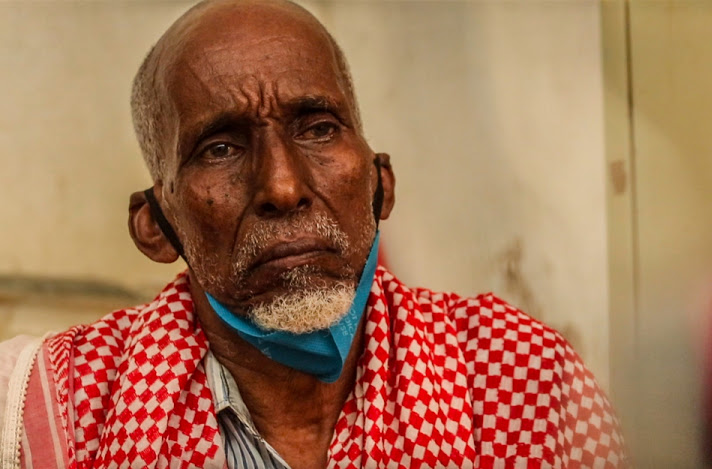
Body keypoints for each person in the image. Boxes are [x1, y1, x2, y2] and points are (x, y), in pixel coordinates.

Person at [0, 0, 626, 467]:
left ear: (380, 184)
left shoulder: (524, 384)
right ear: (155, 226)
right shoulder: (49, 406)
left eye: (319, 128)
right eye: (220, 148)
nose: (282, 186)